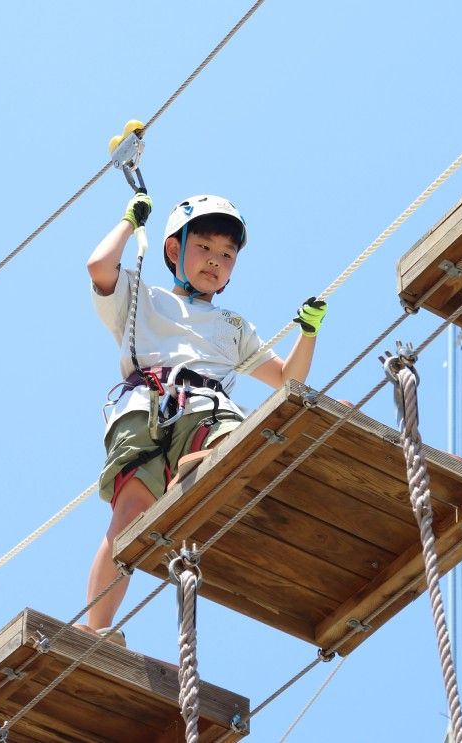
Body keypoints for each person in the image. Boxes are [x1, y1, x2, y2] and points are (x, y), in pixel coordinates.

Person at [79, 193, 327, 644]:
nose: (215, 261)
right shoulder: (140, 298)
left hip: (204, 406)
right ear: (175, 250)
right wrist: (130, 220)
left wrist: (308, 333)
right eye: (205, 248)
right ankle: (96, 630)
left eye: (227, 255)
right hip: (146, 406)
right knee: (128, 520)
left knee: (238, 438)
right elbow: (99, 266)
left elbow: (288, 379)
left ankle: (197, 465)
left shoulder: (232, 328)